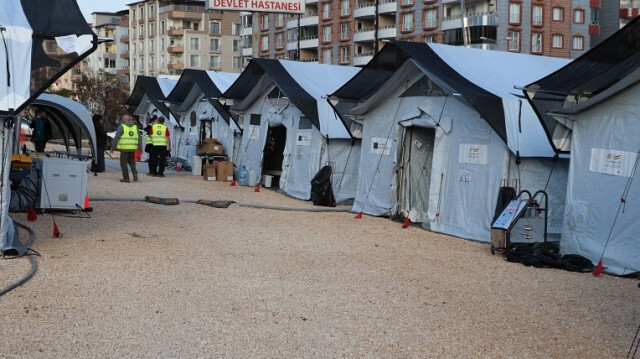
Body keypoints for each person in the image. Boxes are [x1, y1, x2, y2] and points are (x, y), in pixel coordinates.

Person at [110, 114, 140, 183]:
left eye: (123, 119)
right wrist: (140, 147)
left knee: (123, 163)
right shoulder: (135, 127)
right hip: (133, 148)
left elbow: (116, 137)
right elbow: (139, 138)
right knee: (132, 161)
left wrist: (113, 147)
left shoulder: (122, 126)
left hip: (124, 149)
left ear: (124, 120)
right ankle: (135, 175)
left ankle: (126, 178)